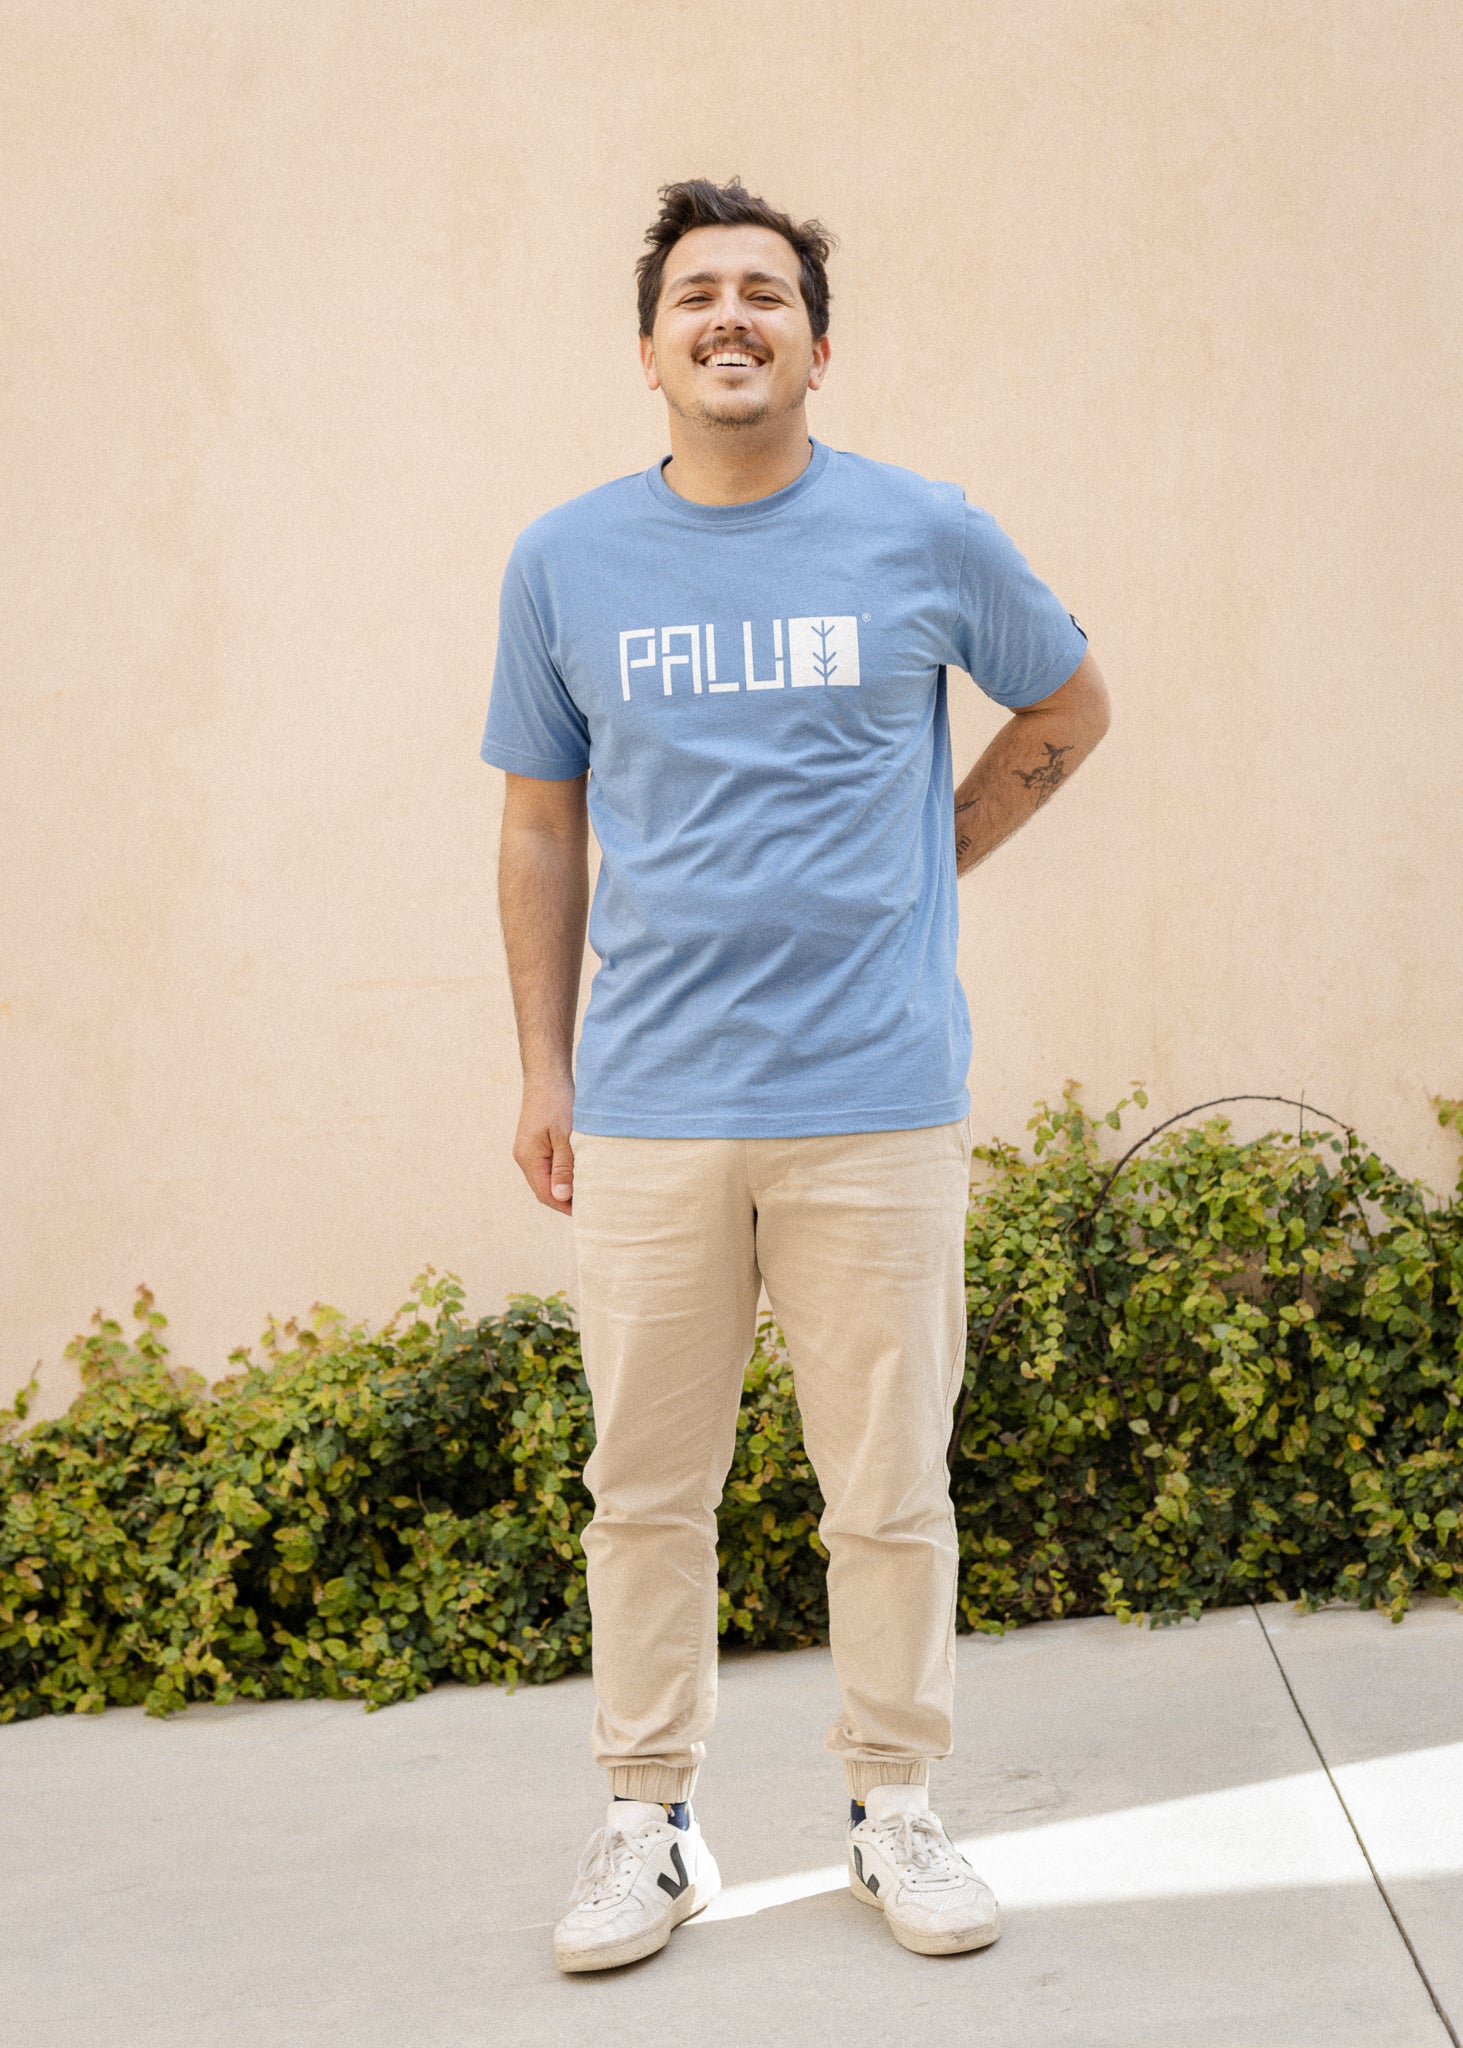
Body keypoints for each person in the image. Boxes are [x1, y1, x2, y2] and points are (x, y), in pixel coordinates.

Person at [480, 176, 1109, 1974]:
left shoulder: (922, 533)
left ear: (817, 346)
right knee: (642, 1489)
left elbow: (1066, 709)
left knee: (891, 1487)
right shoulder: (566, 562)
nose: (732, 317)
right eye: (699, 295)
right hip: (654, 1104)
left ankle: (894, 1806)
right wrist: (545, 1067)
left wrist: (938, 859)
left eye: (766, 292)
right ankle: (647, 1822)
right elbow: (539, 824)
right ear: (653, 347)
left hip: (875, 1096)